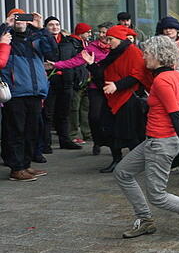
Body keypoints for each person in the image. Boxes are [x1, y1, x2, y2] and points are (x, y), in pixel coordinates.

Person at [113, 36, 179, 240]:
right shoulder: (173, 75)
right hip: (154, 140)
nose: (144, 57)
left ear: (159, 56)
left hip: (162, 142)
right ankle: (145, 220)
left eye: (147, 53)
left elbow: (175, 114)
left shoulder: (164, 79)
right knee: (122, 172)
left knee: (157, 195)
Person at [90, 24, 151, 174]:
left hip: (129, 98)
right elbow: (103, 75)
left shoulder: (133, 52)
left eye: (110, 39)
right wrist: (91, 65)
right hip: (111, 97)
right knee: (110, 130)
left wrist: (117, 85)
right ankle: (116, 160)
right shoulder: (114, 53)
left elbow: (138, 75)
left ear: (119, 38)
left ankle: (139, 163)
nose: (108, 42)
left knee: (130, 133)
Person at [2, 10, 54, 182]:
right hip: (15, 93)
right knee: (15, 131)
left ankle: (25, 164)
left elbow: (53, 52)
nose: (20, 21)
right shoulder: (6, 38)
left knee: (32, 131)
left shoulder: (35, 38)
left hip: (35, 92)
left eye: (23, 18)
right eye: (15, 18)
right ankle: (16, 169)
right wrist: (5, 25)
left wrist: (41, 29)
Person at [48, 22, 111, 156]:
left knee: (111, 116)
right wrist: (57, 65)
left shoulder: (116, 48)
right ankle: (97, 141)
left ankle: (113, 144)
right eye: (99, 32)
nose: (101, 35)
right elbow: (75, 60)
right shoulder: (92, 47)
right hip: (96, 87)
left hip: (113, 86)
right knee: (94, 116)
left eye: (104, 32)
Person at [42, 16, 83, 151]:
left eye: (57, 24)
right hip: (49, 82)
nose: (55, 27)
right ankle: (45, 143)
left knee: (64, 113)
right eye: (51, 25)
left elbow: (75, 61)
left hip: (66, 81)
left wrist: (76, 77)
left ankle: (65, 140)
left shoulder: (68, 42)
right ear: (45, 27)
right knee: (47, 114)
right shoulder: (42, 41)